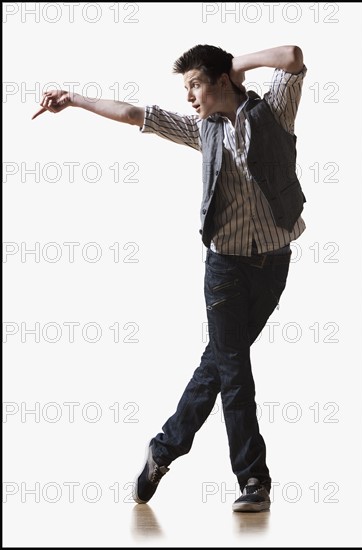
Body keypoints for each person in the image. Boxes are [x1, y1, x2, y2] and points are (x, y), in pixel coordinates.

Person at [32, 44, 307, 513]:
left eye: (196, 84)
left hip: (273, 262)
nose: (190, 96)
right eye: (187, 88)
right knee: (235, 372)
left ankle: (162, 450)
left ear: (222, 81)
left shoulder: (275, 109)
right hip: (224, 268)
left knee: (217, 368)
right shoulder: (202, 131)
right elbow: (135, 113)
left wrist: (231, 68)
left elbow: (292, 55)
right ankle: (254, 480)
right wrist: (75, 99)